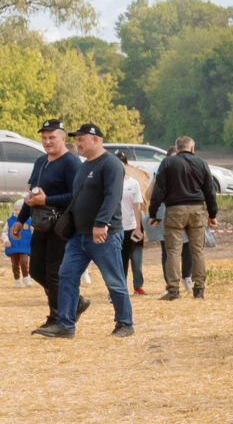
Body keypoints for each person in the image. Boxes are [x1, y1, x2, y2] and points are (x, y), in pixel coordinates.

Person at [38, 123, 131, 339]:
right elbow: (76, 197)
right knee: (66, 276)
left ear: (95, 140)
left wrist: (101, 223)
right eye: (76, 140)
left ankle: (125, 324)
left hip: (104, 235)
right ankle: (65, 325)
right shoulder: (84, 166)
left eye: (81, 140)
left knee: (114, 280)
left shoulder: (111, 164)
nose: (77, 144)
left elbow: (112, 196)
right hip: (78, 236)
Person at [20, 119, 80, 328]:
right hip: (41, 223)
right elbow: (32, 194)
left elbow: (76, 195)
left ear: (62, 138)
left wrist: (46, 200)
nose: (47, 141)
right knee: (36, 270)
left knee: (54, 274)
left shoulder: (71, 162)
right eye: (44, 137)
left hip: (61, 225)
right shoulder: (40, 162)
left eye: (52, 137)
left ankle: (57, 318)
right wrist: (20, 220)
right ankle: (75, 302)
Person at [150, 134, 220, 299]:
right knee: (198, 251)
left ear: (177, 148)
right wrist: (212, 214)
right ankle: (199, 290)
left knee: (173, 251)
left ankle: (173, 290)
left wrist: (153, 213)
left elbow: (158, 190)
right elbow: (210, 190)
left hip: (175, 210)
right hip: (197, 210)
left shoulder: (168, 163)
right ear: (192, 148)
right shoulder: (201, 163)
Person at [116, 149, 150, 295]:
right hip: (116, 227)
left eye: (122, 164)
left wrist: (138, 227)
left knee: (136, 258)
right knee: (120, 260)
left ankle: (138, 285)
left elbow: (137, 206)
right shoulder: (109, 182)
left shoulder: (134, 183)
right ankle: (120, 287)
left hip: (132, 225)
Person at [6, 203, 29, 286]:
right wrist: (6, 240)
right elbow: (4, 232)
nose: (18, 211)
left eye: (20, 210)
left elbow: (33, 231)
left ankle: (26, 277)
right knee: (14, 264)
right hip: (13, 246)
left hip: (24, 246)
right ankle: (17, 280)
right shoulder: (9, 221)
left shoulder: (29, 221)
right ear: (13, 210)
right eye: (16, 210)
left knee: (24, 262)